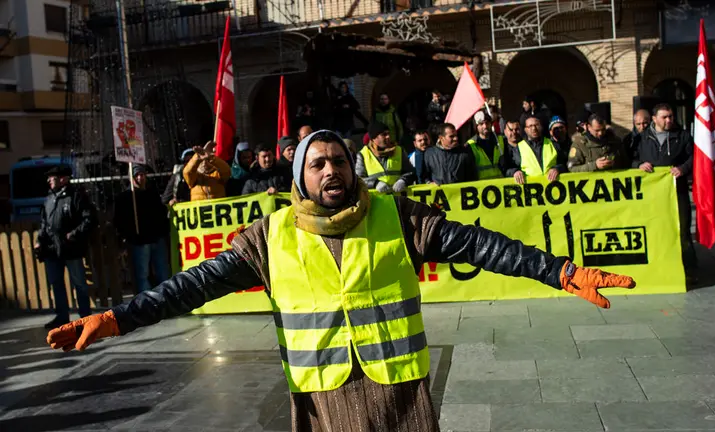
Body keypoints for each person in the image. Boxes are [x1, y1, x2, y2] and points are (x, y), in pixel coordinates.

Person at [46, 129, 635, 431]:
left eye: (340, 161)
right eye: (318, 163)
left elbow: (477, 245)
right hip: (324, 401)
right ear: (301, 176)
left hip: (400, 397)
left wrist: (558, 270)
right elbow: (191, 286)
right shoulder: (268, 236)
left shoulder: (394, 215)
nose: (332, 171)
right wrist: (117, 317)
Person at [631, 103, 696, 278]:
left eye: (671, 116)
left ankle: (689, 270)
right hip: (651, 194)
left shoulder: (682, 136)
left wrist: (683, 168)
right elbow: (631, 158)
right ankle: (658, 268)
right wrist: (638, 165)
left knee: (682, 231)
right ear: (654, 119)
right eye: (664, 117)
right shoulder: (642, 138)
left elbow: (694, 157)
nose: (668, 120)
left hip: (677, 192)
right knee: (655, 230)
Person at [35, 164, 96, 329]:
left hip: (71, 249)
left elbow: (88, 219)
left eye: (52, 177)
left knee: (79, 284)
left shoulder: (76, 196)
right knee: (56, 283)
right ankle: (62, 316)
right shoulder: (50, 198)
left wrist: (73, 235)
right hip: (52, 249)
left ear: (63, 179)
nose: (49, 180)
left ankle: (85, 318)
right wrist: (40, 239)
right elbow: (44, 222)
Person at [114, 164, 171, 293]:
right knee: (142, 275)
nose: (140, 178)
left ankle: (167, 301)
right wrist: (129, 236)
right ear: (131, 178)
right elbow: (120, 221)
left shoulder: (152, 194)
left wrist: (162, 231)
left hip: (157, 238)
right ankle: (147, 305)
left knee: (163, 272)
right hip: (140, 241)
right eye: (137, 175)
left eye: (142, 175)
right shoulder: (125, 197)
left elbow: (161, 214)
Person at [356, 121, 414, 193]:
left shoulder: (399, 150)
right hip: (376, 201)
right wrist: (375, 183)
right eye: (384, 134)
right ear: (374, 139)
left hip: (398, 199)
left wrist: (403, 180)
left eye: (388, 133)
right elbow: (358, 180)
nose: (388, 137)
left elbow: (410, 172)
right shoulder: (363, 155)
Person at [504, 117, 566, 184]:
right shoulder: (518, 148)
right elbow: (509, 169)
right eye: (530, 126)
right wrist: (515, 172)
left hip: (553, 189)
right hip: (531, 190)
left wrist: (557, 169)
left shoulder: (553, 144)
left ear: (541, 127)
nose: (534, 128)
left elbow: (564, 164)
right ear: (525, 130)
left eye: (536, 125)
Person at [466, 111, 504, 179]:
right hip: (483, 186)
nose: (485, 126)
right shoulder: (471, 145)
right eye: (481, 124)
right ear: (476, 126)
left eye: (487, 123)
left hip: (501, 185)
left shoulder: (501, 140)